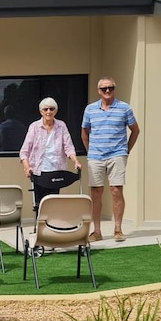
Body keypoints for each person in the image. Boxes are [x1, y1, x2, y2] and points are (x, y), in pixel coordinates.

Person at [81, 77, 140, 243]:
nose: (108, 91)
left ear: (114, 89)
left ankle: (118, 229)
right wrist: (90, 151)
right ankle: (97, 231)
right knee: (96, 193)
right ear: (99, 91)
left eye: (110, 88)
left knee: (116, 190)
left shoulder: (124, 108)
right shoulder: (90, 109)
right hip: (95, 156)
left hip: (117, 154)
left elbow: (135, 130)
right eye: (104, 89)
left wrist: (126, 150)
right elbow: (84, 132)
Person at [19, 97, 81, 207]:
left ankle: (52, 224)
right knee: (40, 203)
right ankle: (40, 223)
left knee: (53, 202)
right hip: (39, 171)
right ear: (41, 111)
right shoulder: (34, 127)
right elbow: (24, 151)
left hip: (56, 170)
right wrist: (27, 167)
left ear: (55, 111)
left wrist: (75, 161)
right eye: (46, 109)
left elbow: (68, 147)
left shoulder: (61, 125)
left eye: (51, 109)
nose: (49, 112)